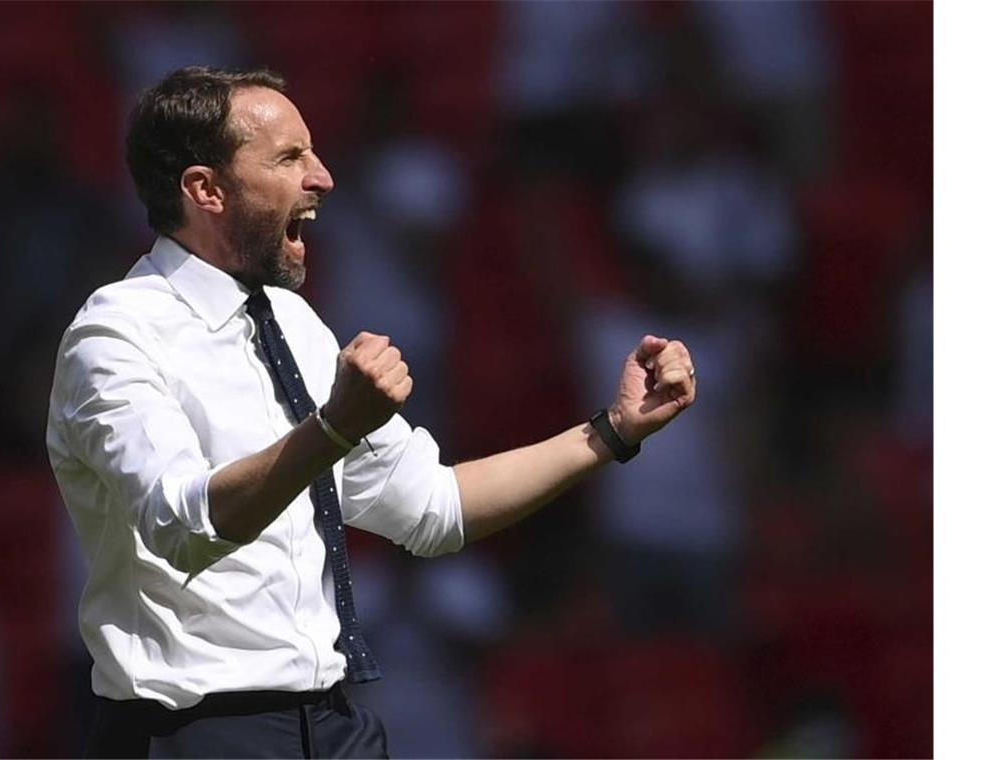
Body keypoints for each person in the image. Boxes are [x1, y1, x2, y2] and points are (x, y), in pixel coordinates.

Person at [46, 66, 697, 759]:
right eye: (289, 157)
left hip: (334, 727)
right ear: (206, 189)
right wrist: (331, 430)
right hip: (193, 735)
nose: (322, 176)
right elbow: (188, 526)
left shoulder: (293, 322)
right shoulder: (116, 335)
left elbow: (433, 508)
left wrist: (611, 432)